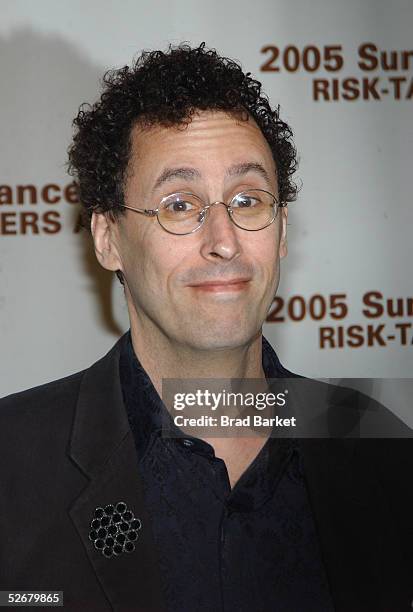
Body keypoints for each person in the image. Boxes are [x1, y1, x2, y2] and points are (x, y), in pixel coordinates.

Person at [0, 43, 412, 612]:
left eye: (247, 199)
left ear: (282, 230)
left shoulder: (373, 444)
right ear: (108, 237)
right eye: (178, 204)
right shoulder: (12, 463)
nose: (223, 240)